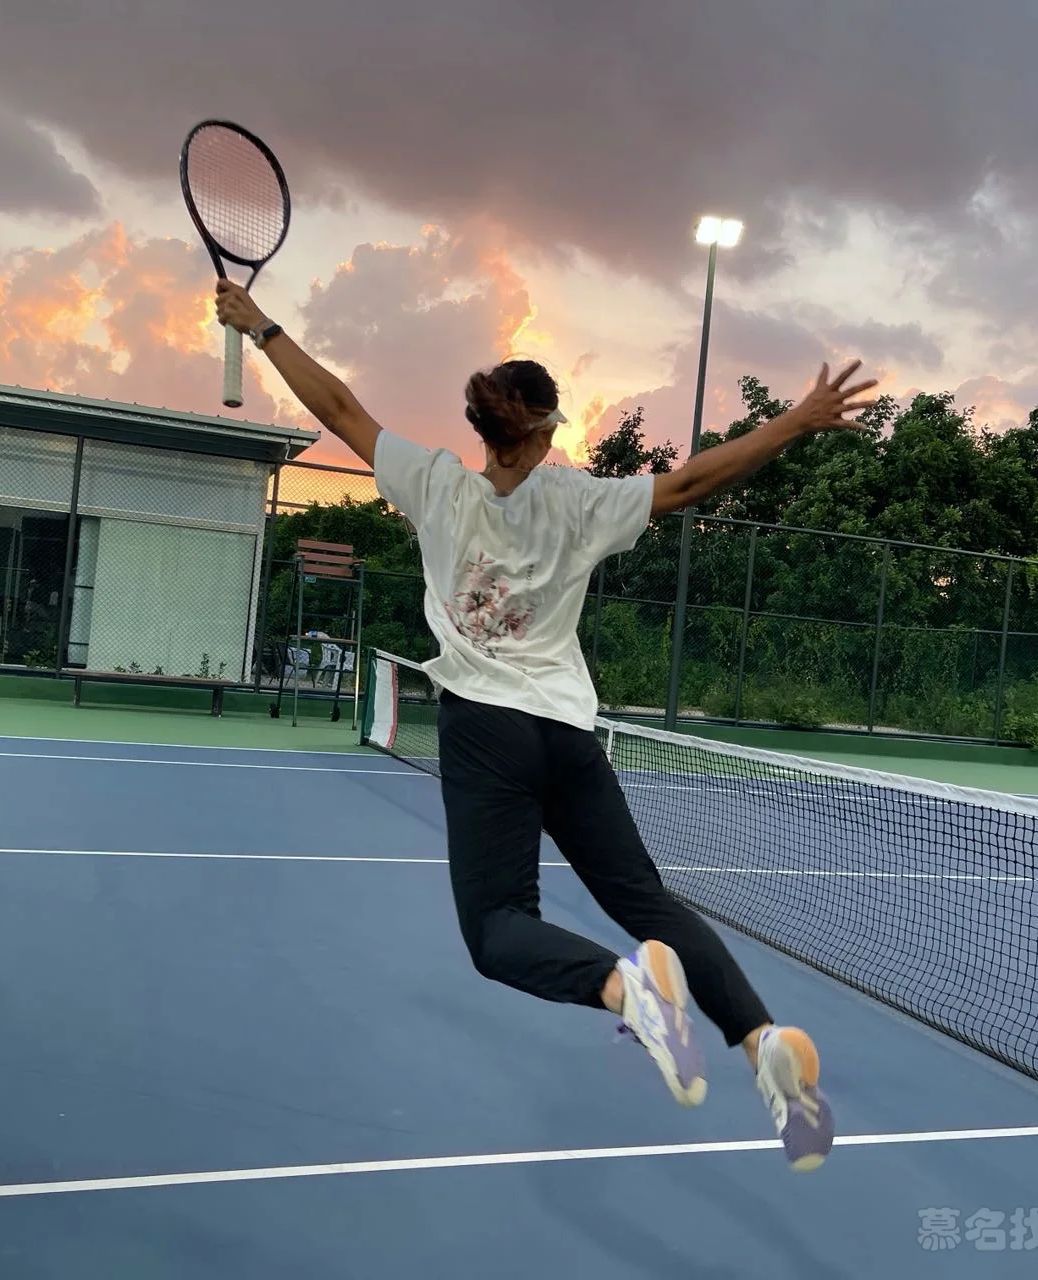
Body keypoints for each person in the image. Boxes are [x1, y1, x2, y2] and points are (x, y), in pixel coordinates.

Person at [216, 279, 877, 1172]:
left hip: (487, 732)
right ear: (549, 429)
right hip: (568, 734)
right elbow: (693, 481)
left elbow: (337, 407)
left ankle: (629, 991)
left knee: (498, 928)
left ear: (487, 429)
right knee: (646, 902)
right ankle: (761, 1042)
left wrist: (261, 326)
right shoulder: (579, 501)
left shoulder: (436, 485)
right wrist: (794, 421)